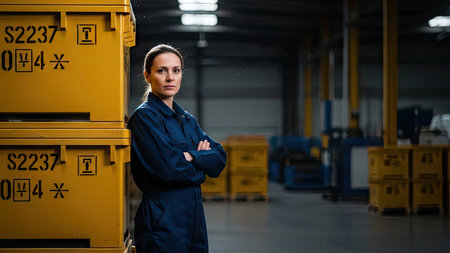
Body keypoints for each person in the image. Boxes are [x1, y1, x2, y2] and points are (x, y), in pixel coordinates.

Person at [128, 44, 226, 253]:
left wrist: (190, 156)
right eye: (161, 70)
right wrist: (201, 160)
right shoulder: (145, 118)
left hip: (194, 217)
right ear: (147, 75)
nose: (170, 77)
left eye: (176, 70)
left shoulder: (186, 119)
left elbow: (219, 158)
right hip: (163, 219)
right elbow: (169, 168)